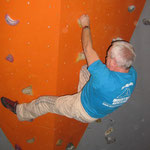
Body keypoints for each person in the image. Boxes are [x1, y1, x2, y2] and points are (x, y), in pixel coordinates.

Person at [1, 14, 137, 123]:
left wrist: (85, 25)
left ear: (114, 64)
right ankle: (91, 95)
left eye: (107, 56)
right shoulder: (132, 75)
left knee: (44, 102)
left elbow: (87, 48)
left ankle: (22, 112)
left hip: (81, 109)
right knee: (86, 69)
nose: (105, 57)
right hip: (99, 105)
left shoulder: (103, 78)